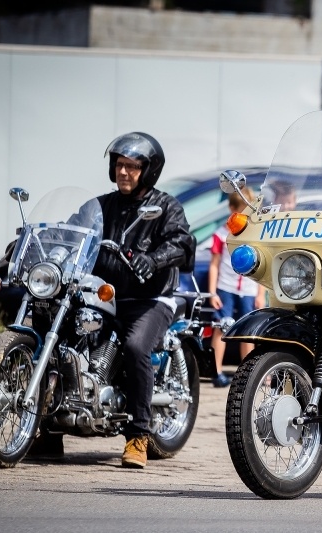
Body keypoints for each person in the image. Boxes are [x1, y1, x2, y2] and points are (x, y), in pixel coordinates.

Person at [30, 132, 196, 468]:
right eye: (120, 165)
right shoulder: (101, 206)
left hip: (149, 298)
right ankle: (48, 428)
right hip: (101, 294)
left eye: (132, 166)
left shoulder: (165, 207)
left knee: (136, 347)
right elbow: (69, 231)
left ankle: (138, 435)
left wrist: (154, 259)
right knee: (58, 338)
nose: (124, 172)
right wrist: (36, 242)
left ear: (148, 171)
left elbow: (181, 243)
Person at [208, 187, 266, 387]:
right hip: (226, 286)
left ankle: (247, 374)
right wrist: (212, 292)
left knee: (248, 332)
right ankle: (216, 371)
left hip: (248, 288)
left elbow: (261, 266)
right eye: (241, 210)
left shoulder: (255, 234)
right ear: (232, 209)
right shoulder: (221, 234)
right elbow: (214, 265)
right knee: (220, 327)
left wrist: (260, 293)